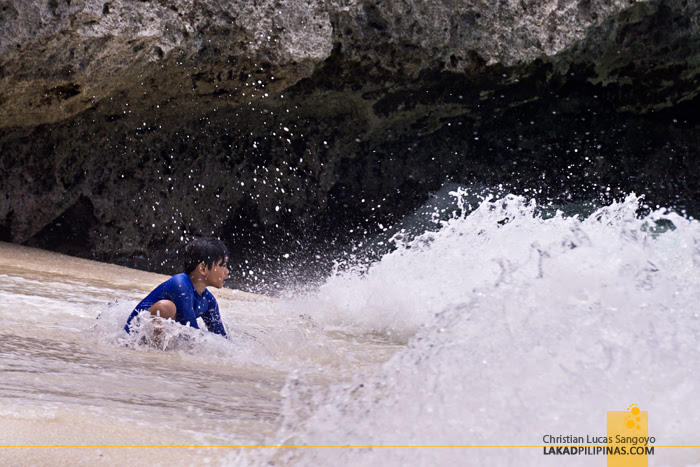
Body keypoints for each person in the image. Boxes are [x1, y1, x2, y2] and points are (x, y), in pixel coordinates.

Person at [124, 237, 230, 338]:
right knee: (166, 308)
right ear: (202, 268)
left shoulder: (209, 301)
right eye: (223, 265)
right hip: (134, 339)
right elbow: (192, 333)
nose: (227, 271)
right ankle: (156, 355)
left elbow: (221, 338)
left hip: (160, 340)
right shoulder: (180, 284)